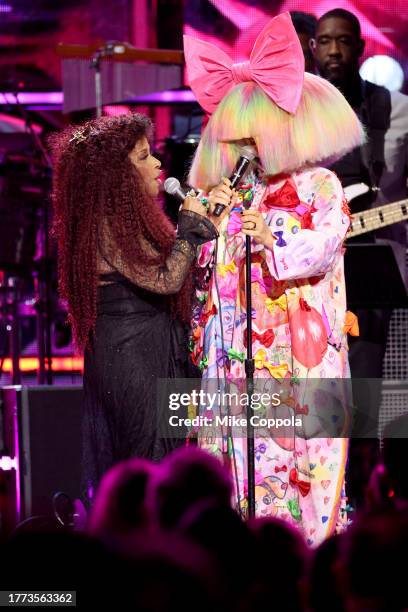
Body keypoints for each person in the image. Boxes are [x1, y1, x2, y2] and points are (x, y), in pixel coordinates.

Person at [184, 12, 364, 545]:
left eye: (255, 135)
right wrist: (204, 231)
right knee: (243, 468)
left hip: (296, 361)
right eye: (239, 139)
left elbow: (321, 248)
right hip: (241, 367)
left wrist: (273, 238)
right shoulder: (236, 192)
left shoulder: (320, 186)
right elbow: (208, 284)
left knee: (300, 472)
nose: (248, 149)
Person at [50, 113, 219, 508]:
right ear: (118, 175)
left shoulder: (128, 220)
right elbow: (164, 280)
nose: (158, 164)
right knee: (150, 464)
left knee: (164, 462)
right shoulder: (106, 224)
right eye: (144, 157)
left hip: (147, 349)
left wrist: (205, 227)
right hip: (133, 358)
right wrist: (189, 228)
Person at [311, 8, 408, 507]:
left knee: (368, 386)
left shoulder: (396, 110)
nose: (333, 51)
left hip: (377, 267)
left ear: (360, 48)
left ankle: (365, 495)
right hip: (310, 271)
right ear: (312, 48)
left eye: (343, 42)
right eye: (324, 41)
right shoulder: (297, 114)